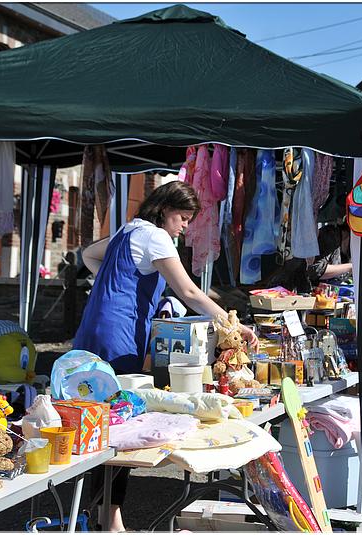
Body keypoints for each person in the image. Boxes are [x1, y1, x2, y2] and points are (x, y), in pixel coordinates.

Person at [73, 181, 258, 531]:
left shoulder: (129, 231)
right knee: (121, 424)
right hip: (119, 337)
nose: (184, 226)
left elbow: (88, 255)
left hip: (94, 332)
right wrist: (232, 323)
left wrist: (120, 286)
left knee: (99, 422)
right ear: (164, 210)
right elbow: (188, 290)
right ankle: (111, 520)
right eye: (183, 218)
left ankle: (101, 515)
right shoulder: (156, 237)